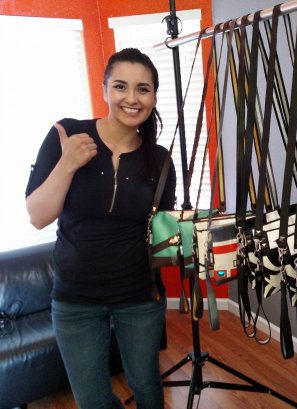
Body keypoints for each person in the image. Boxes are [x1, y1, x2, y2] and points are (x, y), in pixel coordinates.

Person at [25, 48, 176, 409]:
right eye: (121, 86)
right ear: (105, 88)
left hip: (139, 298)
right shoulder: (68, 134)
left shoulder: (159, 159)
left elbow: (164, 233)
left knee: (147, 387)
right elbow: (38, 216)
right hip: (75, 300)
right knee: (92, 400)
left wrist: (198, 245)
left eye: (143, 89)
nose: (132, 98)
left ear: (154, 97)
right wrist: (68, 163)